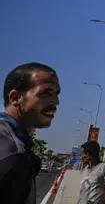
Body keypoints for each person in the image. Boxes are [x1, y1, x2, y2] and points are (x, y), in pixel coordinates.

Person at [0, 62, 60, 204]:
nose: (55, 102)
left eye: (56, 94)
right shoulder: (14, 153)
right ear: (15, 98)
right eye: (46, 93)